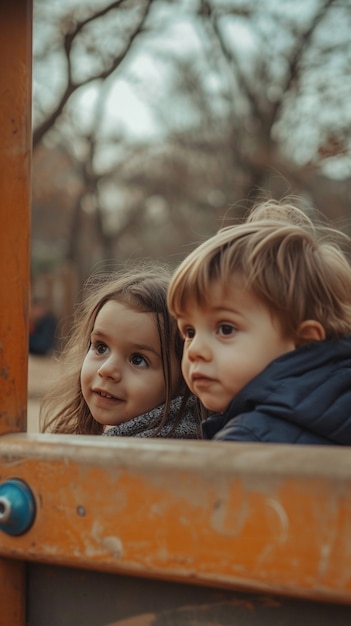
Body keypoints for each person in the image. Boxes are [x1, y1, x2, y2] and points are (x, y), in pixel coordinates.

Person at [167, 198, 351, 445]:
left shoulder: (249, 440)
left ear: (303, 341)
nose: (195, 350)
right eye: (189, 331)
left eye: (225, 329)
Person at [41, 262, 201, 438]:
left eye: (138, 359)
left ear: (184, 379)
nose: (107, 370)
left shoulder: (158, 453)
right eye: (101, 348)